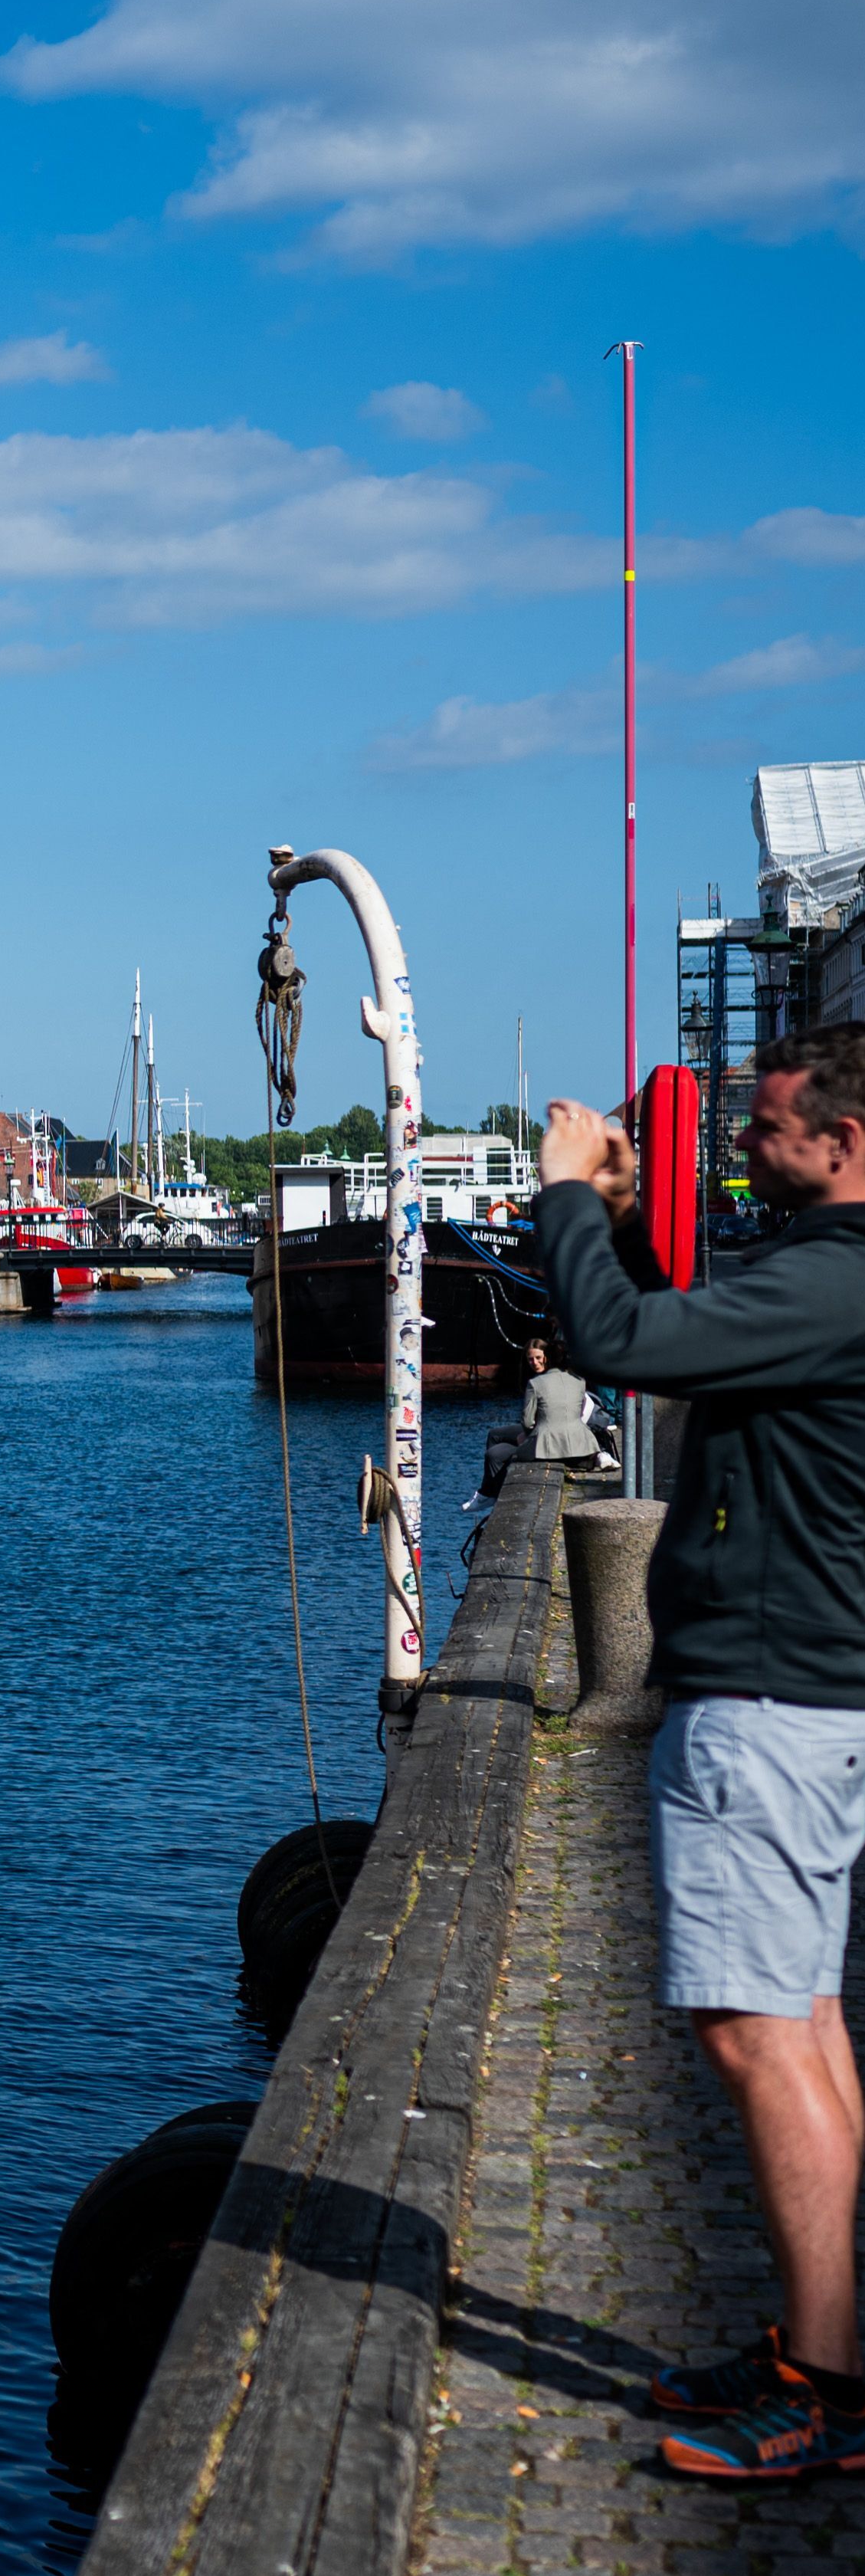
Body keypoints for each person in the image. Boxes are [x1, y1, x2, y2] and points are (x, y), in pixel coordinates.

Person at [538, 1030, 865, 2482]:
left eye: (773, 1129)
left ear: (847, 1142)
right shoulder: (819, 1275)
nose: (746, 1148)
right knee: (802, 2013)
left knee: (751, 2030)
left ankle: (826, 2385)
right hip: (809, 1694)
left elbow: (621, 1347)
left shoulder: (836, 1274)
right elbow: (689, 1329)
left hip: (768, 1699)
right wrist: (616, 1218)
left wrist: (558, 1199)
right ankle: (828, 2341)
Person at [515, 1338, 605, 1470]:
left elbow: (527, 1423)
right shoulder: (580, 1381)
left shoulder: (535, 1383)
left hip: (546, 1447)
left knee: (504, 1452)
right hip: (582, 1444)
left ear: (546, 1359)